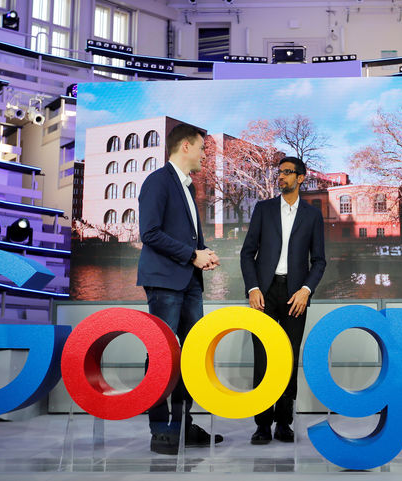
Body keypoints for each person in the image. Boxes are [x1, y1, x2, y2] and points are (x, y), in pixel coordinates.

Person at [137, 123, 223, 455]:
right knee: (161, 354)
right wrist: (192, 254)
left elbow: (186, 237)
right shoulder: (158, 181)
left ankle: (183, 427)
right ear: (185, 146)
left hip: (188, 284)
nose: (205, 154)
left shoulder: (187, 188)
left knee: (190, 355)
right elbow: (150, 233)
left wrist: (205, 253)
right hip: (165, 282)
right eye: (202, 148)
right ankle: (160, 431)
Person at [240, 156, 326, 444]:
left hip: (295, 296)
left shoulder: (313, 216)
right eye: (280, 173)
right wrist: (252, 287)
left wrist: (306, 290)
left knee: (288, 358)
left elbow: (320, 261)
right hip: (263, 293)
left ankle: (284, 423)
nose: (282, 177)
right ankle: (262, 425)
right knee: (263, 359)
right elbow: (246, 253)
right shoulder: (263, 209)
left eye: (288, 173)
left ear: (301, 178)